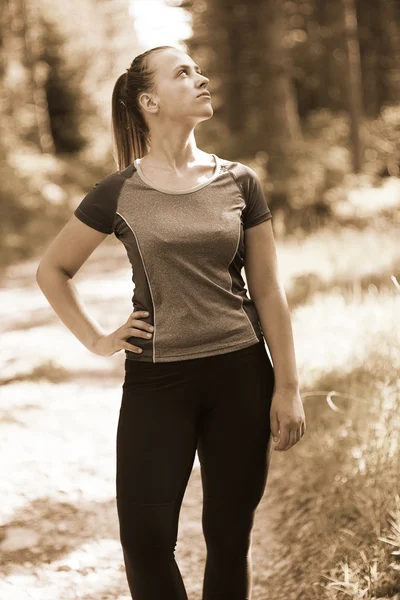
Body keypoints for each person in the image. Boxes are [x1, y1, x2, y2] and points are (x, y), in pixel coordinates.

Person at [36, 45, 306, 600]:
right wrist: (97, 339)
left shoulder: (240, 182)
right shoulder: (118, 191)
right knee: (146, 539)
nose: (201, 78)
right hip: (158, 382)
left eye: (200, 69)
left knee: (229, 538)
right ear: (149, 100)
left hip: (241, 376)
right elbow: (53, 269)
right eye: (184, 72)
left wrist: (289, 387)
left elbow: (269, 291)